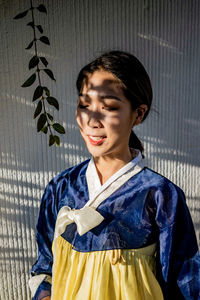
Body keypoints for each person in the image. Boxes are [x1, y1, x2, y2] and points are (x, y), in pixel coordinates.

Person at [29, 51, 200, 300]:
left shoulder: (160, 195)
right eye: (84, 105)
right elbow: (44, 268)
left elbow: (185, 282)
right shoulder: (60, 187)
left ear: (138, 114)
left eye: (108, 108)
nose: (92, 120)